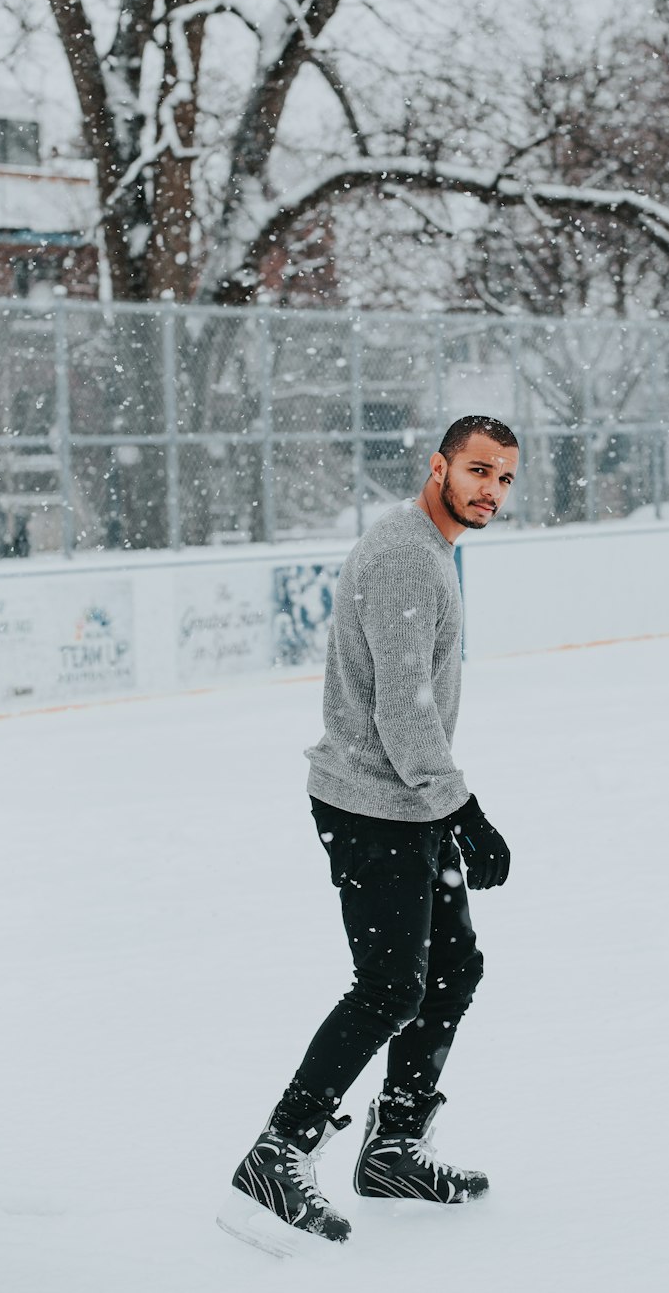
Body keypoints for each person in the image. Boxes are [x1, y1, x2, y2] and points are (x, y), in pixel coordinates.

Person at [218, 415, 520, 1257]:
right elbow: (403, 710)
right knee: (390, 986)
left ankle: (390, 1147)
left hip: (408, 803)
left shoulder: (433, 552)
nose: (491, 490)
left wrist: (443, 808)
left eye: (504, 478)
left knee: (453, 968)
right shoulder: (404, 558)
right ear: (439, 467)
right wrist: (467, 812)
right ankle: (280, 1150)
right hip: (369, 805)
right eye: (479, 471)